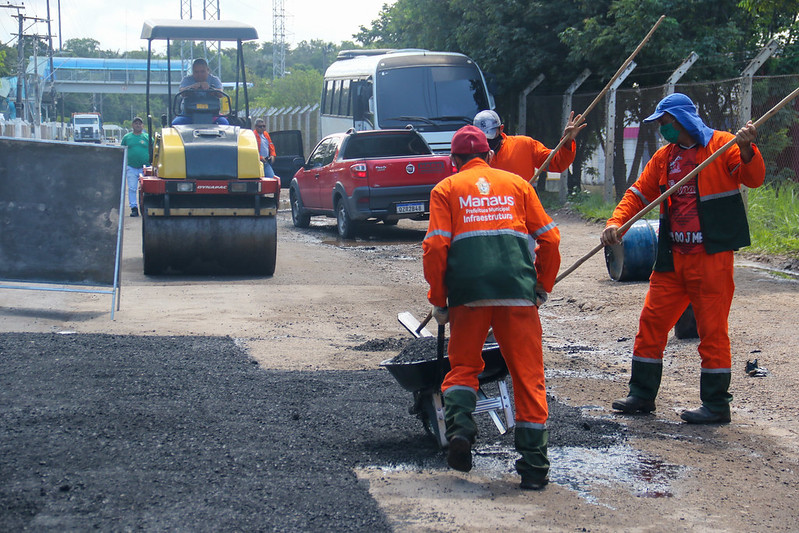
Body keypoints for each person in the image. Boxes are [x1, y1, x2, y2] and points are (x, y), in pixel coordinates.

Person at [601, 93, 765, 424]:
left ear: (680, 120)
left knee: (712, 331)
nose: (662, 130)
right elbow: (638, 193)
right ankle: (642, 395)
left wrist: (748, 149)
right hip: (672, 259)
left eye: (664, 123)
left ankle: (717, 405)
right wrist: (616, 222)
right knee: (651, 323)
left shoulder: (722, 146)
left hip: (711, 260)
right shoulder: (664, 158)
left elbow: (753, 177)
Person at [423, 125, 561, 490]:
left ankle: (462, 432)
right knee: (528, 378)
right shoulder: (518, 185)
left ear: (454, 161)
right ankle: (534, 469)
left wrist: (439, 300)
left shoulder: (446, 189)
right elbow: (550, 238)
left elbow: (436, 247)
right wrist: (542, 286)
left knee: (463, 367)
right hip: (517, 293)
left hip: (468, 296)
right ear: (488, 155)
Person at [473, 109, 586, 184]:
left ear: (501, 128)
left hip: (522, 214)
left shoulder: (524, 145)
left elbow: (558, 163)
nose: (486, 140)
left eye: (490, 135)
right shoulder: (469, 155)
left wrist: (567, 141)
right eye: (481, 136)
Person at [173, 58, 228, 125]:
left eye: (202, 72)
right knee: (175, 124)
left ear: (208, 70)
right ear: (193, 72)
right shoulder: (187, 80)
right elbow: (182, 92)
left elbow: (220, 93)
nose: (199, 75)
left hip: (211, 114)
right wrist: (191, 87)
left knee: (224, 123)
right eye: (196, 72)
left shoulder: (214, 80)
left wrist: (211, 89)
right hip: (189, 115)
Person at [120, 117, 150, 217]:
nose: (138, 125)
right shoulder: (127, 137)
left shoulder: (147, 137)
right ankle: (134, 208)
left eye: (139, 123)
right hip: (131, 167)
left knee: (146, 189)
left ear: (143, 126)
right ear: (132, 125)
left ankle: (146, 207)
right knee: (132, 188)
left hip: (145, 168)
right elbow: (121, 150)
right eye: (136, 123)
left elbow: (155, 150)